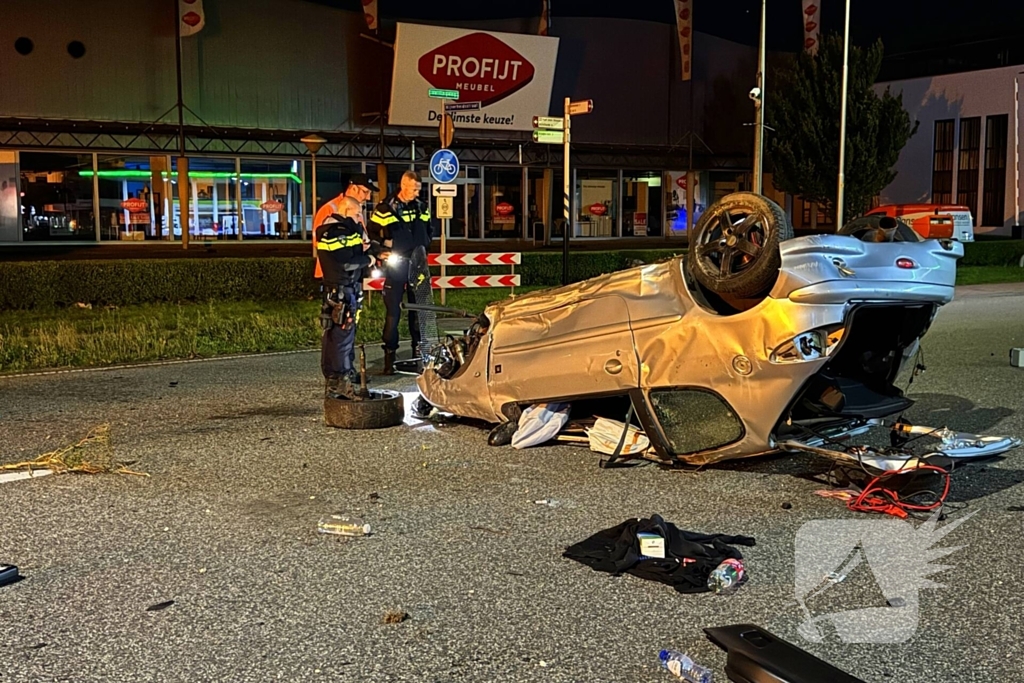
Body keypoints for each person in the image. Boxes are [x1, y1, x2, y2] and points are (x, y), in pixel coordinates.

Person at [368, 170, 433, 375]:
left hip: (418, 264)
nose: (417, 193)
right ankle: (389, 357)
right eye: (414, 189)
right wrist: (380, 251)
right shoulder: (385, 208)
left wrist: (425, 248)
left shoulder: (422, 206)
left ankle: (419, 355)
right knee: (393, 313)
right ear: (403, 186)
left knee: (419, 312)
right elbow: (370, 232)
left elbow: (429, 230)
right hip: (397, 264)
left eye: (418, 189)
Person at [316, 197, 373, 398]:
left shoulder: (331, 230)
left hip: (334, 290)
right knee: (342, 338)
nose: (359, 218)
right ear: (346, 210)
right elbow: (347, 263)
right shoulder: (337, 231)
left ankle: (334, 381)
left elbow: (350, 252)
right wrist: (369, 259)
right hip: (343, 291)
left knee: (332, 336)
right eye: (357, 213)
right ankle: (341, 383)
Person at [312, 173, 379, 280]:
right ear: (353, 188)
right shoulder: (329, 209)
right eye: (365, 192)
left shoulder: (355, 209)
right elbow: (319, 242)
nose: (368, 197)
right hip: (335, 273)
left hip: (352, 271)